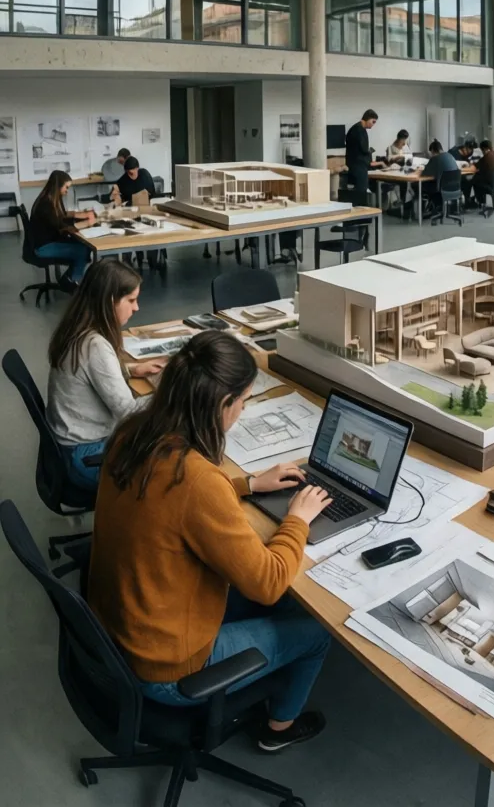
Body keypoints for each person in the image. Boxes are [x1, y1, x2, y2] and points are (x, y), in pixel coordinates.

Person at [87, 331, 334, 753]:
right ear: (223, 404)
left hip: (117, 627)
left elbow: (174, 505)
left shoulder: (135, 431)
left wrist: (248, 483)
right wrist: (298, 519)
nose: (241, 410)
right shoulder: (197, 480)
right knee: (316, 628)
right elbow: (269, 580)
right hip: (166, 667)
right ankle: (278, 730)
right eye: (243, 401)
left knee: (282, 602)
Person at [46, 259, 162, 489]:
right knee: (171, 465)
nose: (136, 307)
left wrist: (130, 370)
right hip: (86, 457)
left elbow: (87, 374)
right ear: (110, 301)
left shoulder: (77, 329)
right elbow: (128, 412)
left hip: (70, 447)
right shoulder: (95, 346)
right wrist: (177, 389)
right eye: (131, 300)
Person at [29, 169, 96, 286]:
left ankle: (69, 279)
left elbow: (61, 218)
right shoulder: (46, 205)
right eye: (66, 187)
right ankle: (72, 282)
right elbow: (61, 226)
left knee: (84, 246)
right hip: (43, 247)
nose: (66, 191)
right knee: (83, 250)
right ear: (58, 186)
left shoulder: (51, 199)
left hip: (49, 241)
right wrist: (87, 223)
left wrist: (81, 217)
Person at [345, 109, 385, 206]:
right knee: (361, 192)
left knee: (359, 191)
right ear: (368, 118)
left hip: (353, 164)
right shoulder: (359, 130)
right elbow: (363, 149)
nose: (373, 125)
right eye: (373, 122)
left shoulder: (355, 129)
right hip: (358, 165)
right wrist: (369, 152)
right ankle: (360, 215)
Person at [421, 139, 460, 212]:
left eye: (431, 152)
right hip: (455, 188)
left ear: (433, 150)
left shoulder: (435, 158)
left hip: (441, 189)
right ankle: (435, 207)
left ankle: (422, 212)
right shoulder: (450, 155)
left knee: (419, 186)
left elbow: (424, 174)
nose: (431, 154)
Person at [472, 138, 494, 206]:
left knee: (475, 180)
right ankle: (481, 201)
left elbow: (475, 167)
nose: (482, 152)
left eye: (482, 150)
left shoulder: (486, 157)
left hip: (490, 184)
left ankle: (480, 202)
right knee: (478, 177)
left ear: (484, 149)